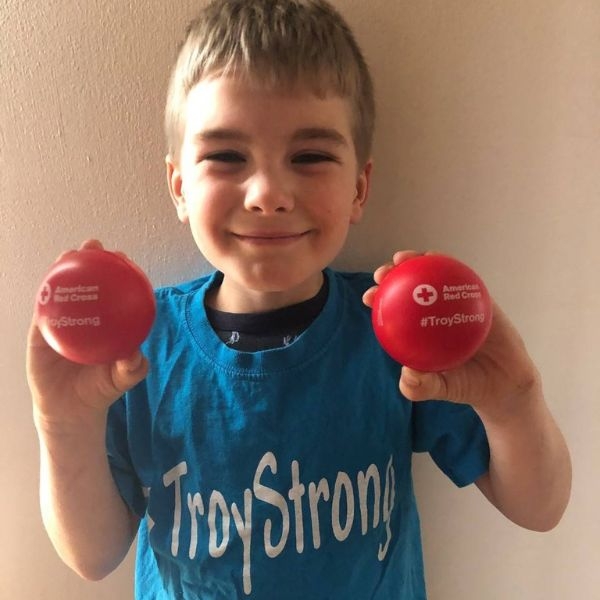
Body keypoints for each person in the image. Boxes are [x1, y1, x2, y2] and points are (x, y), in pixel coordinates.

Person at [27, 1, 571, 598]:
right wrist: (63, 424)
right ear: (179, 187)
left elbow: (538, 508)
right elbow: (93, 556)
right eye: (226, 157)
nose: (267, 194)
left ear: (359, 187)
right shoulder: (139, 353)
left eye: (310, 157)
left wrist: (514, 402)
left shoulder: (392, 336)